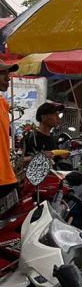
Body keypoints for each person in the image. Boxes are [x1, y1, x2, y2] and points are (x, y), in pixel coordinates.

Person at [23, 102, 69, 167]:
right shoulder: (30, 137)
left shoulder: (53, 139)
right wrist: (40, 156)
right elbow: (18, 161)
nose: (58, 118)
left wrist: (60, 156)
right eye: (55, 115)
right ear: (44, 117)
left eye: (58, 115)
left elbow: (53, 161)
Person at [0, 62, 18, 203]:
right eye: (2, 73)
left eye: (8, 73)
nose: (8, 78)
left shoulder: (3, 103)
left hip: (6, 178)